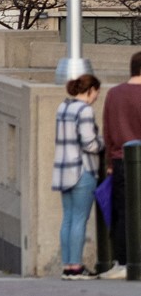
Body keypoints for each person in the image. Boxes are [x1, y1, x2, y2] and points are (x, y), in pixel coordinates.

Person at [55, 74, 105, 280]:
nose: (96, 97)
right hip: (82, 170)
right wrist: (103, 143)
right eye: (97, 93)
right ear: (91, 90)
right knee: (79, 219)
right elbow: (89, 143)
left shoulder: (63, 107)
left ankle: (68, 265)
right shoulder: (85, 110)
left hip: (63, 169)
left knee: (67, 218)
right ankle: (76, 266)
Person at [99, 50, 141, 275]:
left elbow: (107, 130)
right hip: (139, 161)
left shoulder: (114, 94)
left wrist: (109, 163)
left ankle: (123, 261)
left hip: (119, 161)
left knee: (123, 213)